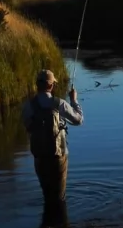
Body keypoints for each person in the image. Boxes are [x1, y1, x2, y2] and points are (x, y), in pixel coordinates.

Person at [22, 69, 84, 205]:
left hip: (39, 157)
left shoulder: (28, 106)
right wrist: (74, 100)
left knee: (48, 198)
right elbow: (78, 120)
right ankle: (60, 224)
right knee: (59, 198)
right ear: (51, 85)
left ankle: (48, 223)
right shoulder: (59, 103)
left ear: (37, 85)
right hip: (58, 157)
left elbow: (28, 127)